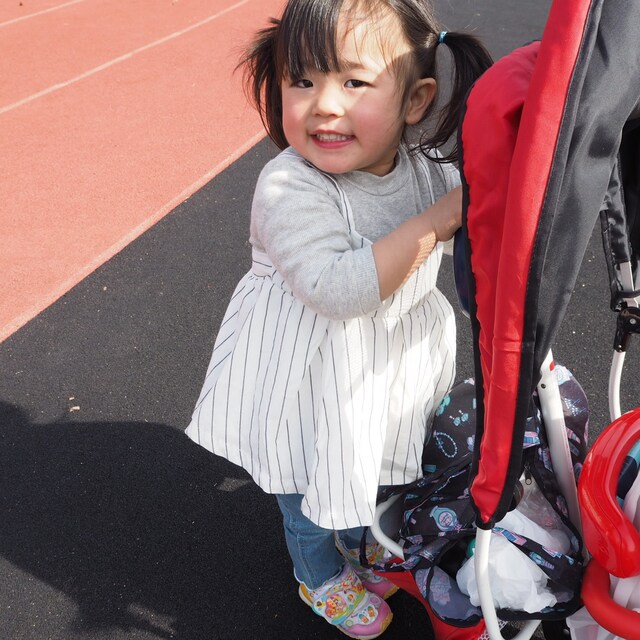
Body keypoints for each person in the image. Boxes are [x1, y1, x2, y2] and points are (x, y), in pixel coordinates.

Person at [186, 0, 492, 637]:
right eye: (303, 80)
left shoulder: (425, 172)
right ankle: (318, 573)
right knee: (307, 491)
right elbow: (337, 289)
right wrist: (438, 222)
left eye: (354, 81)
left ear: (415, 100)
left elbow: (484, 218)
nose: (324, 104)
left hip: (381, 368)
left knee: (375, 466)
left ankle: (362, 538)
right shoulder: (290, 186)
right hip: (306, 376)